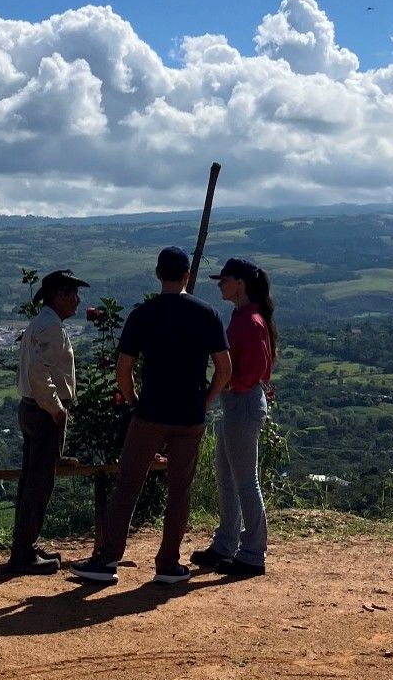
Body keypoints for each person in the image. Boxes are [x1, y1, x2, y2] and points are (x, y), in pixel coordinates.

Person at [68, 247, 230, 588]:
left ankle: (106, 560)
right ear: (187, 275)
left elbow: (123, 369)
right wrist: (205, 401)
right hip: (190, 415)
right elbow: (224, 369)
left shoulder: (142, 315)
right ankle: (168, 564)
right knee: (179, 489)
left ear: (157, 274)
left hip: (150, 412)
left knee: (128, 483)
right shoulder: (208, 314)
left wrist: (133, 401)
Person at [192, 257, 277, 578]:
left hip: (243, 404)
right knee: (227, 477)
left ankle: (253, 553)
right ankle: (226, 544)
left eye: (225, 280)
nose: (220, 285)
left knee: (244, 480)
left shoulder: (250, 320)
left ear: (240, 284)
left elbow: (257, 369)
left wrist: (229, 384)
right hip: (237, 404)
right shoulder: (245, 316)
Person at [10, 268, 89, 574]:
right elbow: (39, 373)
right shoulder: (52, 327)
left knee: (30, 480)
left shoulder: (40, 323)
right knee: (40, 484)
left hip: (31, 408)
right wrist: (56, 408)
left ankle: (24, 546)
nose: (77, 300)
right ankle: (24, 553)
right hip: (44, 412)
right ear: (59, 295)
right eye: (73, 294)